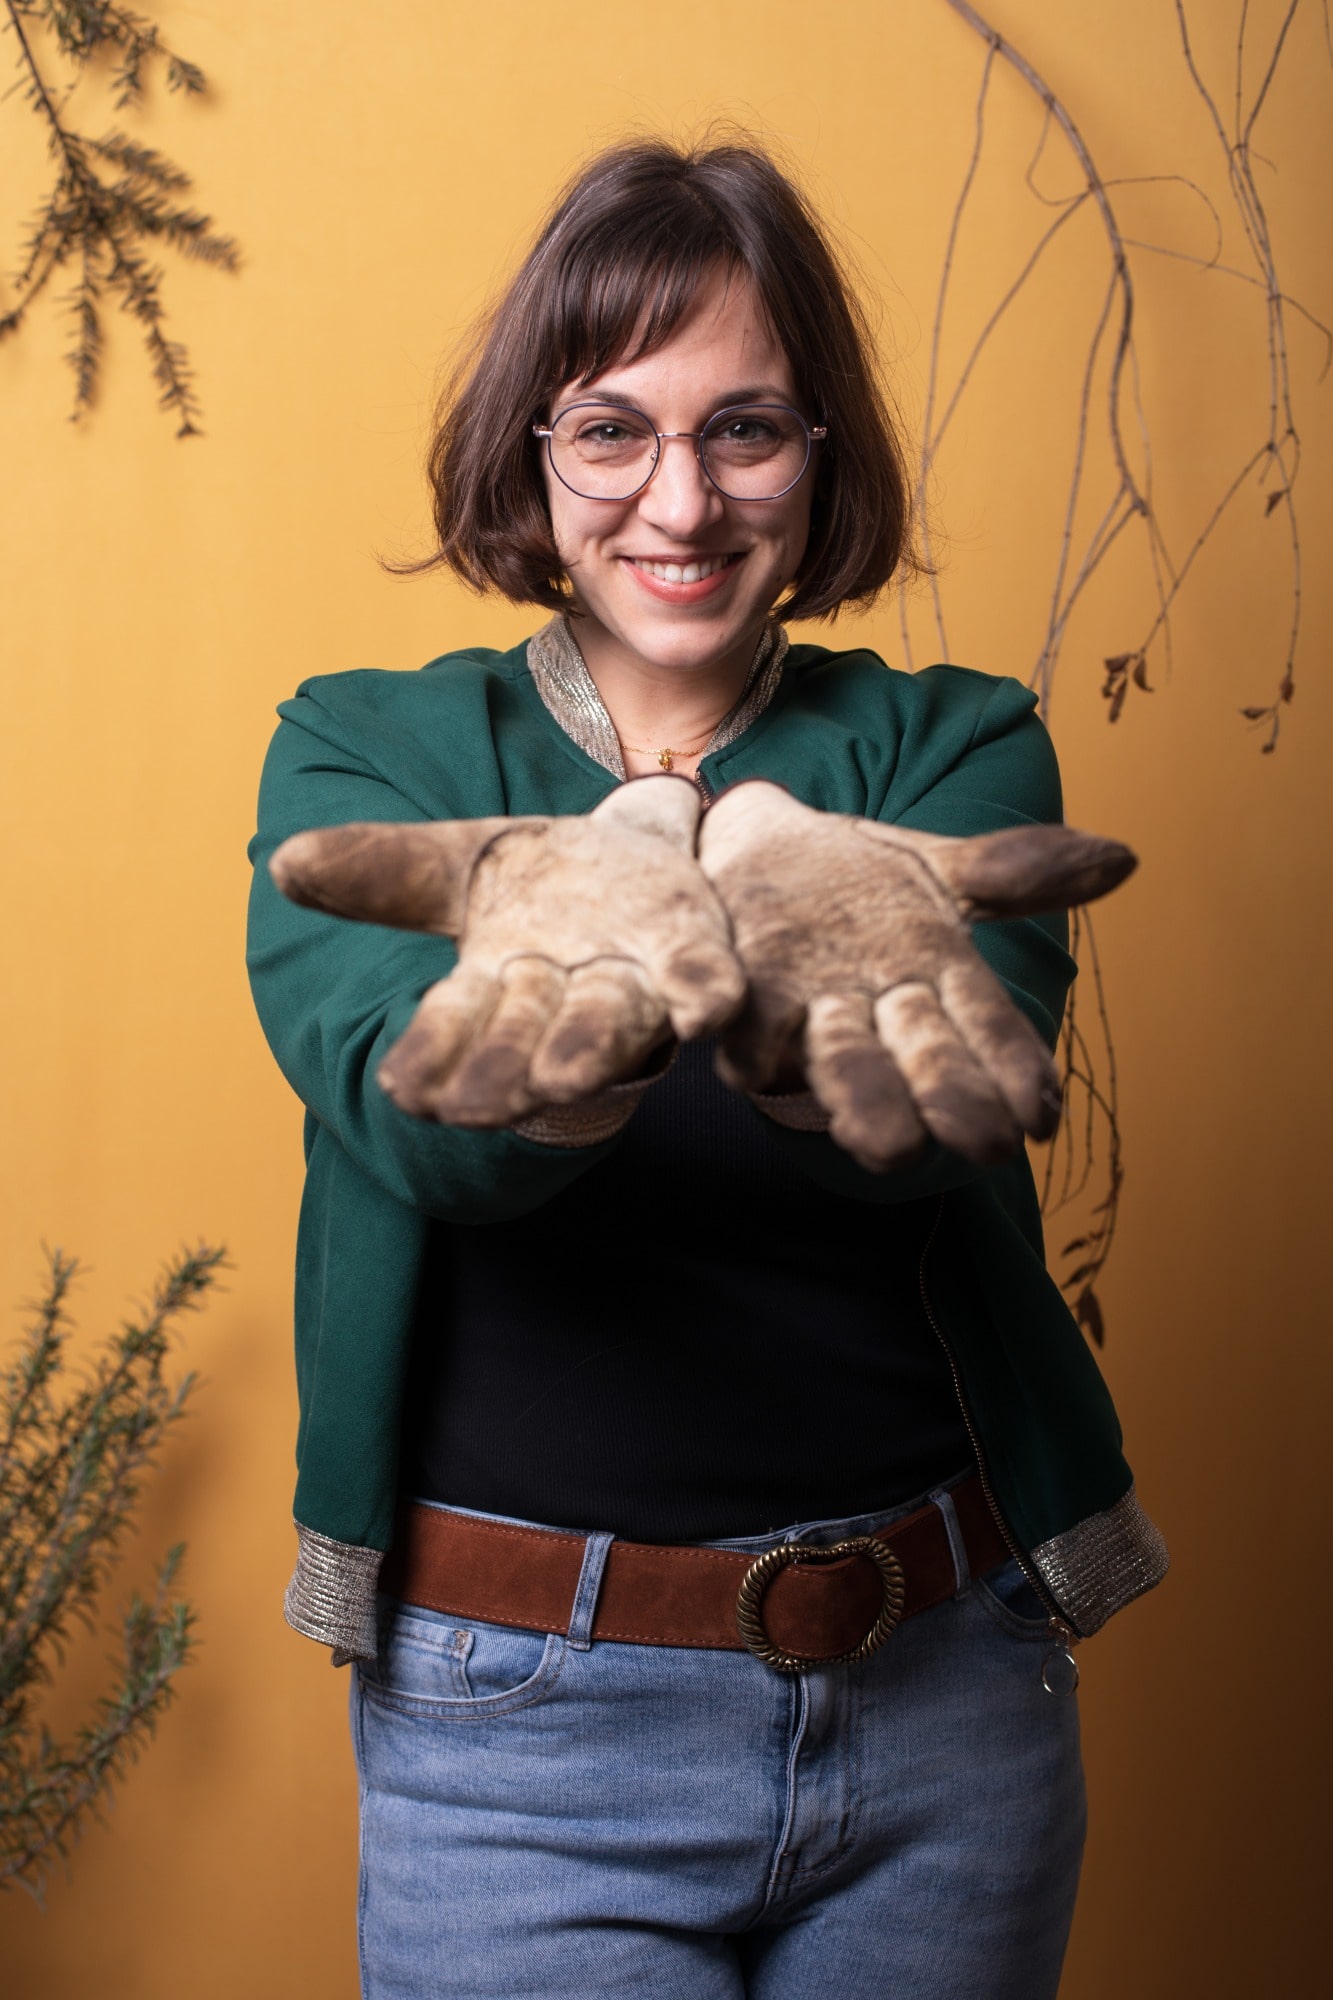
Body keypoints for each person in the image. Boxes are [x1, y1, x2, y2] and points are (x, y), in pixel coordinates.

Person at [247, 138, 1167, 2000]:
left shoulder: (951, 750)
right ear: (534, 452)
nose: (681, 499)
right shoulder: (369, 754)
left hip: (945, 1713)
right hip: (522, 1742)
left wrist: (767, 885)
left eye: (746, 430)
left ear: (819, 457)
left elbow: (924, 1133)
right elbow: (423, 1141)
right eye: (612, 430)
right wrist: (590, 926)